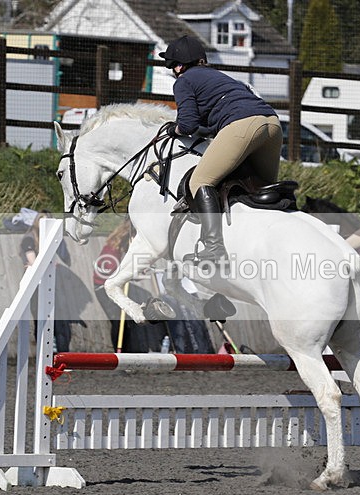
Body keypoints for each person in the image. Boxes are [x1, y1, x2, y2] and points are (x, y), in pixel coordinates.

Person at [159, 35, 283, 264]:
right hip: (273, 124)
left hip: (243, 125)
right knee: (261, 191)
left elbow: (187, 125)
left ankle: (214, 248)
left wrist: (173, 130)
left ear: (178, 66)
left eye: (172, 67)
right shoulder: (221, 77)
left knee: (200, 181)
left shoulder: (184, 81)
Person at [92, 220, 167, 352]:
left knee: (125, 321)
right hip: (103, 288)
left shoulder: (117, 246)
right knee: (118, 320)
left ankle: (126, 350)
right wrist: (134, 274)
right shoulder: (113, 250)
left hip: (109, 284)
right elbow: (112, 273)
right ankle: (119, 351)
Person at [19, 210, 72, 353]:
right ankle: (44, 352)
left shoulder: (51, 240)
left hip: (50, 282)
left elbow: (64, 260)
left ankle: (60, 352)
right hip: (35, 285)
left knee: (59, 321)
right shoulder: (29, 239)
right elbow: (34, 263)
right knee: (40, 319)